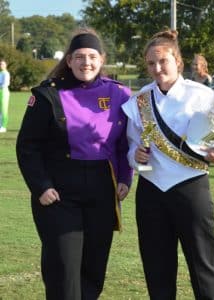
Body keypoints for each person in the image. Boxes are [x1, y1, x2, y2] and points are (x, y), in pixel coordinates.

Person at [122, 29, 214, 300]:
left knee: (204, 268)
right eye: (151, 63)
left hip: (191, 189)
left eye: (163, 61)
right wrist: (135, 157)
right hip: (151, 191)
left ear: (177, 61)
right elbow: (131, 143)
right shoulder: (141, 99)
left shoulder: (200, 95)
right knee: (157, 269)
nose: (157, 68)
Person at [16, 27, 133, 300]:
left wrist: (126, 178)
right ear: (69, 61)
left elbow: (124, 144)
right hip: (58, 193)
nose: (86, 62)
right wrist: (40, 186)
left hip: (103, 190)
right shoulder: (47, 95)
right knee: (63, 270)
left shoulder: (120, 95)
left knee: (93, 270)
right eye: (79, 56)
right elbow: (27, 146)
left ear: (102, 59)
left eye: (92, 56)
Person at [0, 59, 10, 133]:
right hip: (0, 91)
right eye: (0, 64)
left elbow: (5, 84)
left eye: (3, 64)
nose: (1, 65)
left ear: (5, 65)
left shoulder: (6, 73)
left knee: (4, 110)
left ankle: (4, 126)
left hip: (4, 92)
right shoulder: (1, 73)